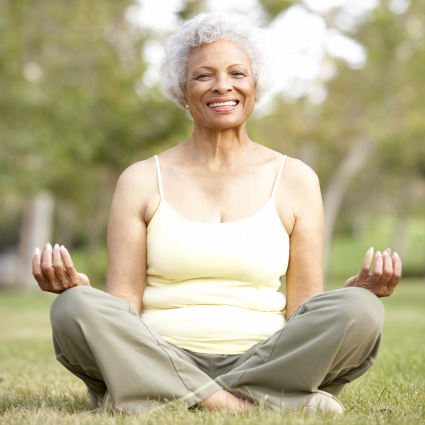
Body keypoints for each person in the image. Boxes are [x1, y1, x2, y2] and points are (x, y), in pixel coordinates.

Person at [32, 12, 402, 415]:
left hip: (264, 357)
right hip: (160, 351)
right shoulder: (140, 179)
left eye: (237, 73)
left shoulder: (295, 178)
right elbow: (125, 305)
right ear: (182, 91)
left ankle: (149, 394)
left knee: (361, 310)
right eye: (203, 75)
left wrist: (346, 298)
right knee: (73, 307)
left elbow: (302, 308)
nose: (222, 85)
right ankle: (249, 403)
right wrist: (87, 294)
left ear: (255, 84)